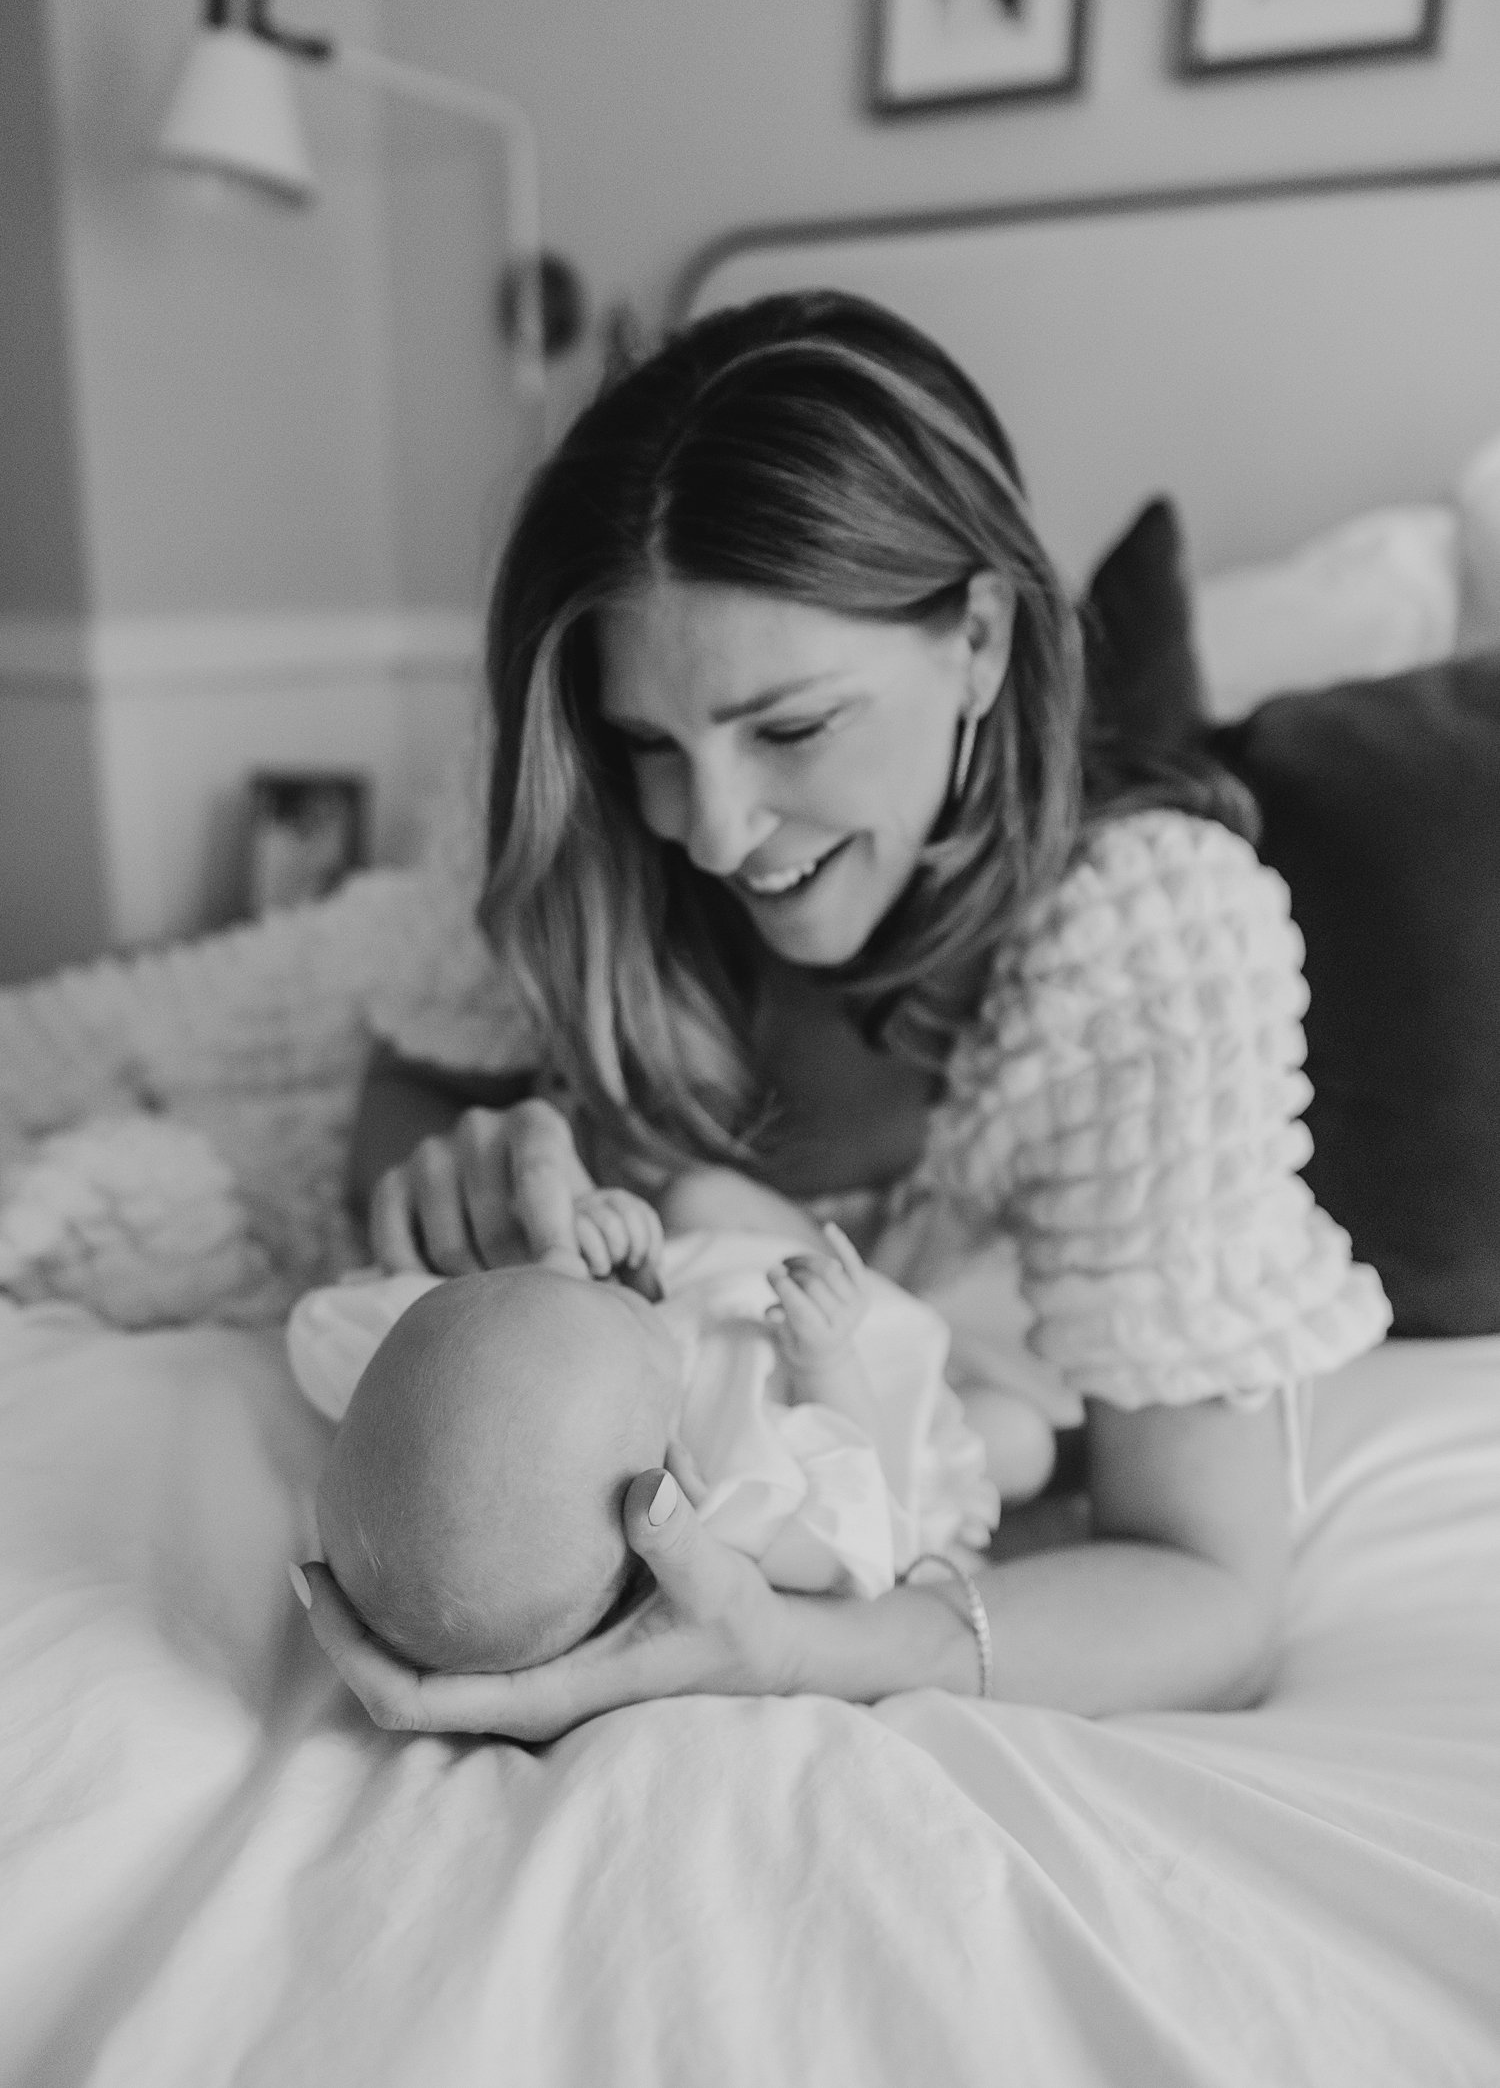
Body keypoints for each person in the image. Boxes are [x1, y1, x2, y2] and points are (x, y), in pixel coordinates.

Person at [292, 290, 1390, 1738]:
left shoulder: (1147, 941)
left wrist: (793, 1646)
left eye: (792, 725)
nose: (717, 829)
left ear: (981, 641)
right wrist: (457, 1178)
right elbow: (401, 1089)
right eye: (648, 742)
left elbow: (1210, 1595)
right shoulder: (587, 835)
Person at [296, 1177, 1000, 1677]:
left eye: (555, 1289)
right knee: (1015, 1439)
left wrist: (607, 1249)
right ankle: (1019, 1421)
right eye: (620, 1311)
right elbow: (864, 1515)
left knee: (698, 1195)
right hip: (881, 1414)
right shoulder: (733, 1499)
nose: (602, 1290)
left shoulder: (476, 1376)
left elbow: (328, 1325)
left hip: (747, 1287)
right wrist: (830, 1357)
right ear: (660, 1456)